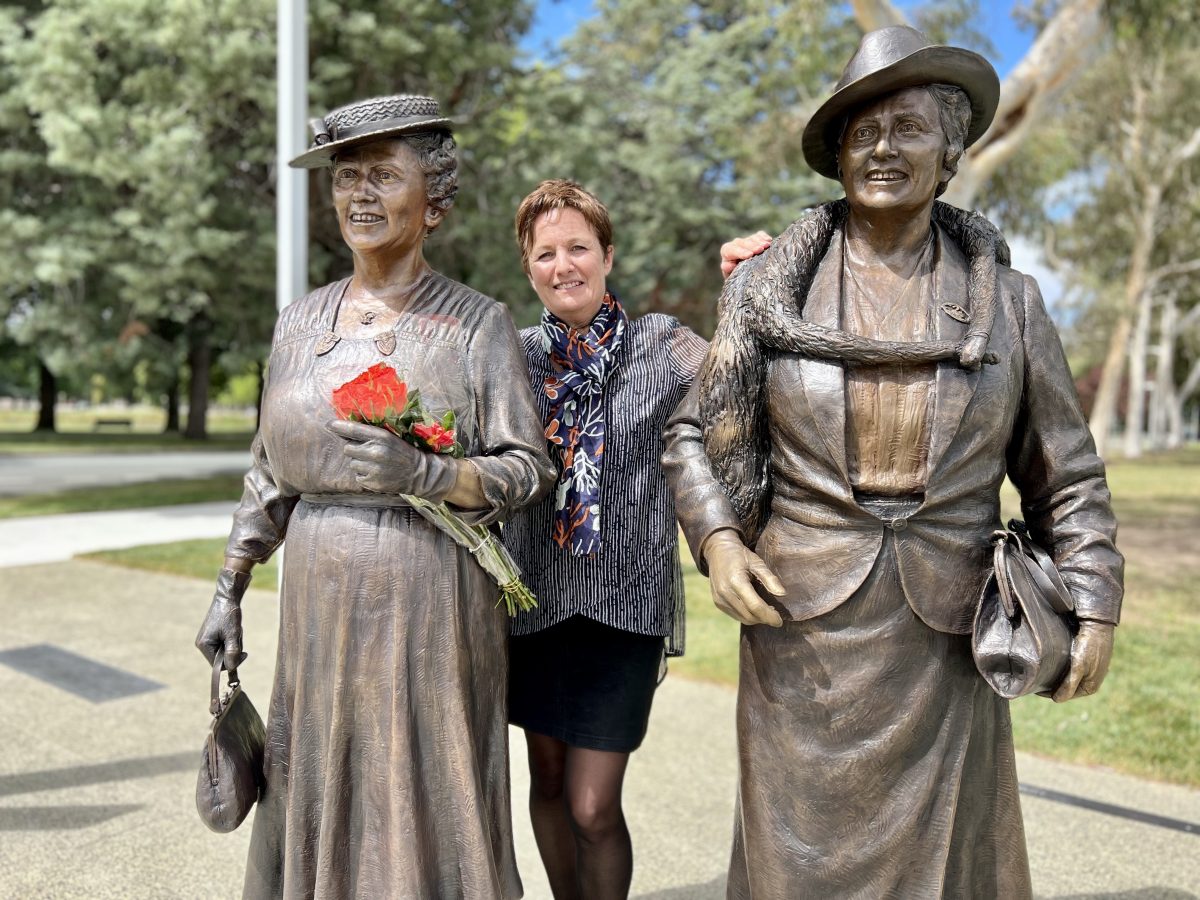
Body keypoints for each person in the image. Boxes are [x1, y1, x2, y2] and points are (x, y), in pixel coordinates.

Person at [664, 27, 1124, 899]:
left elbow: (1066, 473)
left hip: (947, 629)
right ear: (837, 156)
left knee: (947, 868)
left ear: (949, 154)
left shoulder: (1009, 306)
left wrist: (1094, 603)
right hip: (802, 619)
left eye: (908, 129)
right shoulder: (768, 292)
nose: (882, 149)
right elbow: (692, 433)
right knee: (792, 858)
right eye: (862, 132)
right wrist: (721, 541)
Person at [194, 94, 554, 899]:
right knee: (317, 762)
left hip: (433, 600)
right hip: (320, 595)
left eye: (383, 176)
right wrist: (230, 589)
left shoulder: (474, 325)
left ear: (434, 203)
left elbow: (529, 469)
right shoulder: (298, 323)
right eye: (346, 176)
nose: (359, 194)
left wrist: (428, 476)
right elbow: (268, 473)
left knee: (424, 778)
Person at [500, 179, 743, 900]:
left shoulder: (662, 345)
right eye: (545, 253)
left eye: (578, 247)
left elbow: (740, 381)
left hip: (625, 608)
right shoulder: (513, 357)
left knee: (592, 805)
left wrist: (744, 288)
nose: (562, 264)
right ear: (529, 267)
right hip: (531, 602)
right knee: (544, 784)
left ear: (607, 255)